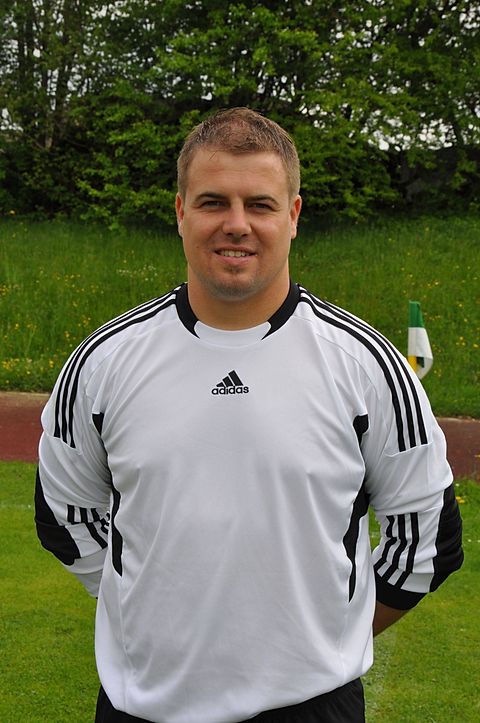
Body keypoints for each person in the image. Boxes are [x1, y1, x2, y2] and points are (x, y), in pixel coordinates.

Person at [35, 108, 463, 723]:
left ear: (293, 215)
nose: (236, 224)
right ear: (180, 212)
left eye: (260, 205)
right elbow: (65, 516)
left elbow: (427, 541)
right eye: (213, 202)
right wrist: (144, 605)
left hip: (313, 708)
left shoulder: (367, 366)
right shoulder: (103, 362)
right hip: (143, 706)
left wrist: (324, 636)